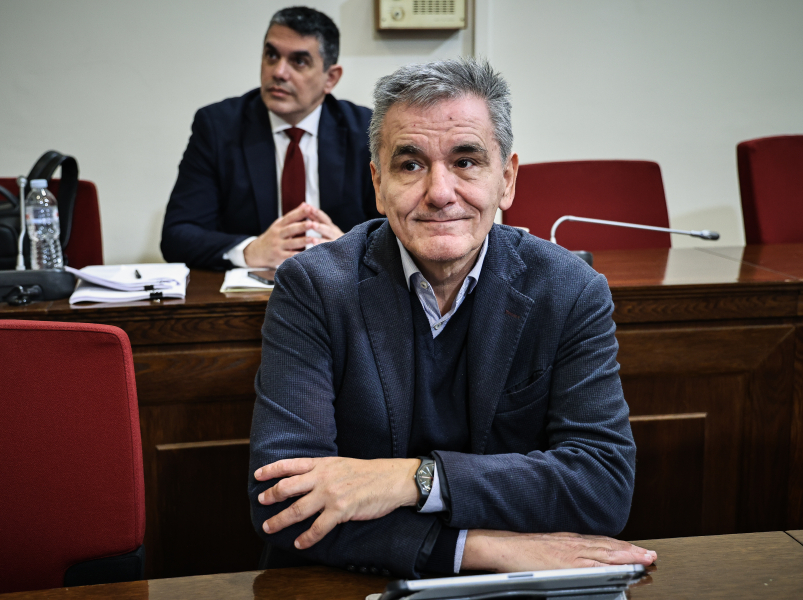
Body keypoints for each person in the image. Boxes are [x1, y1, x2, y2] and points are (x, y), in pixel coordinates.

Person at [248, 58, 657, 578]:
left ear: (506, 179)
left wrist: (412, 480)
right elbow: (283, 502)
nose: (440, 193)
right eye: (410, 165)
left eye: (466, 161)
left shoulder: (570, 290)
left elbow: (602, 487)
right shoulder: (313, 287)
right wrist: (478, 548)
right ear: (378, 183)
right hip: (351, 584)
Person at [161, 7, 378, 270]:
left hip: (339, 287)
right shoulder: (218, 127)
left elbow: (400, 229)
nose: (279, 72)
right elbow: (177, 235)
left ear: (330, 78)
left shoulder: (366, 130)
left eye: (299, 61)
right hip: (253, 290)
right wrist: (250, 250)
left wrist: (351, 247)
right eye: (272, 55)